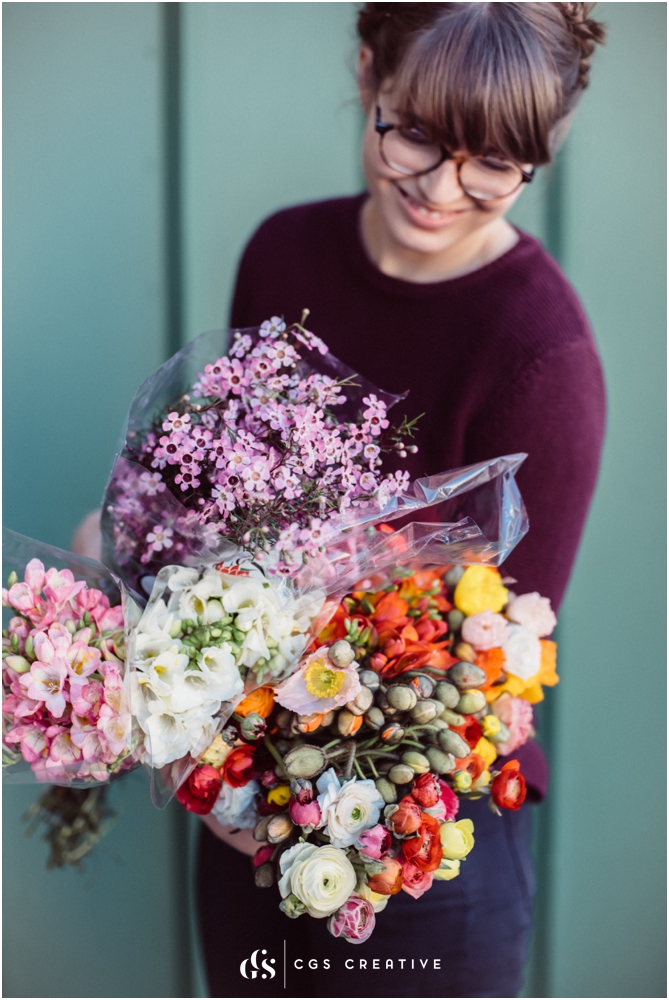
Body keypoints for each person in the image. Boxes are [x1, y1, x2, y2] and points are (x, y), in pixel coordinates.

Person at [73, 4, 606, 996]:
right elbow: (212, 506)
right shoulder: (284, 257)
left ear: (541, 153)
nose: (443, 189)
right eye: (413, 133)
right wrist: (126, 557)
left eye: (493, 163)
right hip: (239, 810)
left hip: (421, 845)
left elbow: (496, 670)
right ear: (368, 77)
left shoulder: (543, 356)